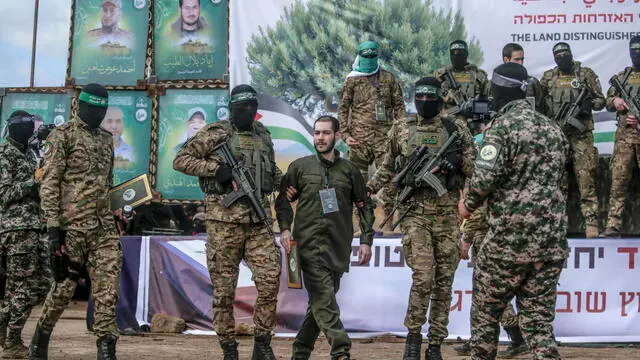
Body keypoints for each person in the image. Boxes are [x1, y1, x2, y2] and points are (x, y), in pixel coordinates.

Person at [459, 62, 569, 360]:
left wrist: (466, 205)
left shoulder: (500, 130)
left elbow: (483, 180)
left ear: (497, 93)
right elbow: (562, 183)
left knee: (485, 313)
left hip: (509, 243)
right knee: (538, 324)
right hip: (550, 245)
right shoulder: (553, 129)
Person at [367, 77, 475, 360]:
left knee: (443, 283)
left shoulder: (456, 128)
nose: (425, 101)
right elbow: (387, 167)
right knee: (423, 277)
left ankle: (436, 344)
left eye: (431, 96)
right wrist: (367, 189)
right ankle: (413, 339)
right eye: (421, 96)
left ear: (440, 99)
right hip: (414, 214)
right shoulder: (402, 127)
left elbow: (476, 168)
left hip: (447, 217)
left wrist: (456, 163)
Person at [173, 84, 282, 360]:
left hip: (259, 222)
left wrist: (288, 183)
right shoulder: (216, 133)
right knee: (223, 292)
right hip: (224, 223)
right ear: (232, 108)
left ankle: (262, 345)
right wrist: (215, 169)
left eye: (252, 107)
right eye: (242, 107)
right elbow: (181, 159)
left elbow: (270, 170)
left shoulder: (263, 135)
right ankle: (229, 349)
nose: (248, 112)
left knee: (270, 282)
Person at [28, 84, 122, 360]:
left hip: (103, 229)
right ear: (82, 107)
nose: (98, 115)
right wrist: (53, 227)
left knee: (108, 289)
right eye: (94, 109)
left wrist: (118, 209)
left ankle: (106, 348)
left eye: (102, 110)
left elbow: (107, 182)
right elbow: (49, 182)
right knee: (63, 290)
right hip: (70, 229)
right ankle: (40, 340)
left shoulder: (106, 139)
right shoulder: (63, 136)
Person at [275, 115, 375, 360]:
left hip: (337, 247)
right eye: (317, 133)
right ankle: (341, 350)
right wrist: (285, 229)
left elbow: (365, 206)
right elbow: (283, 203)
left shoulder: (350, 171)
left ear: (337, 136)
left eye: (325, 133)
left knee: (321, 303)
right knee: (323, 297)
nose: (320, 138)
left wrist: (366, 240)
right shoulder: (300, 167)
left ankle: (300, 352)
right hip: (307, 246)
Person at [337, 40, 405, 232]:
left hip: (385, 140)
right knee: (358, 184)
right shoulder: (352, 80)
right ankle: (363, 228)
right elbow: (342, 109)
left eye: (371, 57)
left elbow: (399, 108)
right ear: (359, 56)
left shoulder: (389, 79)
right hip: (358, 141)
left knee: (390, 182)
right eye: (365, 57)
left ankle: (389, 226)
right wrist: (345, 135)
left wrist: (400, 134)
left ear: (377, 57)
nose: (368, 60)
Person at [540, 42, 606, 238]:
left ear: (570, 54)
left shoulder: (585, 74)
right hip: (557, 136)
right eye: (557, 55)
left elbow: (601, 100)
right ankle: (556, 226)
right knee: (557, 182)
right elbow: (540, 105)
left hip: (581, 137)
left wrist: (587, 105)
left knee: (586, 180)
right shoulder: (548, 78)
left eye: (565, 53)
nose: (562, 57)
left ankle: (592, 224)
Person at [0, 111, 51, 359]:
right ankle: (11, 342)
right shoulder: (4, 154)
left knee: (36, 285)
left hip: (35, 227)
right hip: (16, 229)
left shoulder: (28, 152)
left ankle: (3, 330)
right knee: (25, 286)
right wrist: (34, 182)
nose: (31, 130)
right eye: (28, 127)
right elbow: (4, 194)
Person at [602, 36, 640, 237]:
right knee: (618, 182)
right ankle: (613, 226)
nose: (637, 54)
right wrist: (615, 100)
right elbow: (606, 101)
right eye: (633, 50)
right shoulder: (622, 76)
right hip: (624, 139)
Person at [433, 40, 490, 113]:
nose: (456, 56)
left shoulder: (479, 75)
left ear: (466, 54)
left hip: (471, 120)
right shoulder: (440, 74)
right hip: (446, 119)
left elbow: (485, 103)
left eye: (460, 53)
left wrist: (473, 112)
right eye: (453, 53)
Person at [502, 43, 544, 113]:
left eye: (522, 59)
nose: (521, 63)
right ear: (506, 60)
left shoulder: (532, 83)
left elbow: (541, 111)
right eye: (517, 59)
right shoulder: (494, 83)